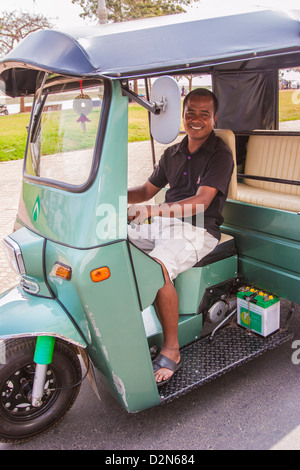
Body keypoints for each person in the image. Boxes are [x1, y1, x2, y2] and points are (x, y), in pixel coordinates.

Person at [127, 88, 234, 386]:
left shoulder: (220, 155)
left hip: (199, 229)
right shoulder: (172, 152)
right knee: (115, 242)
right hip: (164, 223)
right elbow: (146, 191)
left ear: (214, 117)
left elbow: (200, 203)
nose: (196, 119)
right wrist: (108, 193)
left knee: (157, 265)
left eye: (204, 114)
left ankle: (172, 349)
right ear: (182, 115)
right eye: (190, 113)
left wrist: (153, 210)